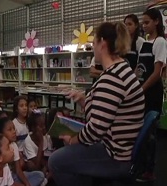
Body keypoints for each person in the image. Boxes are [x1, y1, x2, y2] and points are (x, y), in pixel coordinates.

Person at [48, 21, 145, 186]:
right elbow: (106, 113)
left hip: (115, 154)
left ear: (103, 43)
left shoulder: (112, 78)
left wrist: (72, 140)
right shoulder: (122, 69)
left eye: (94, 43)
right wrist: (84, 100)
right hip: (120, 146)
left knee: (55, 161)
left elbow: (95, 130)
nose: (93, 47)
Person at [135, 8, 167, 182]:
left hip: (152, 92)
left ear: (156, 21)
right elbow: (139, 69)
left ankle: (149, 171)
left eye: (147, 22)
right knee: (141, 131)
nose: (144, 26)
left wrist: (141, 89)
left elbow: (156, 73)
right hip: (142, 91)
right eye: (143, 22)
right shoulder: (143, 43)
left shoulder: (160, 42)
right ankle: (139, 166)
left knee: (150, 132)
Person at [0, 117, 45, 186]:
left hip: (13, 177)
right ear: (1, 134)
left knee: (40, 175)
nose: (14, 131)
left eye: (14, 128)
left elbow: (18, 170)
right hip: (4, 180)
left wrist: (27, 184)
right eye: (10, 130)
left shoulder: (14, 145)